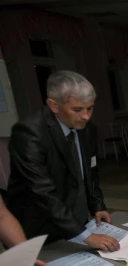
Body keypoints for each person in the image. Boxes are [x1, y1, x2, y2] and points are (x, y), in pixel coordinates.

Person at [7, 71, 119, 251]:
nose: (86, 116)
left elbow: (90, 171)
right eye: (77, 110)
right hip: (39, 228)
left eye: (90, 108)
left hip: (75, 222)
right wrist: (86, 236)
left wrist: (97, 205)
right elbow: (42, 192)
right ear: (54, 105)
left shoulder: (87, 130)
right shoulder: (29, 134)